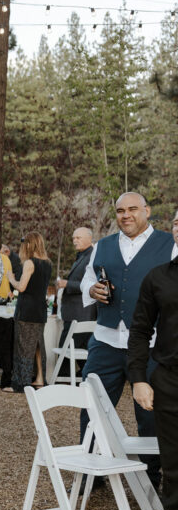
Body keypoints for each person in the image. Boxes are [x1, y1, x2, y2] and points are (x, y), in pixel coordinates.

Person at [81, 192, 177, 491]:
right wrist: (92, 290)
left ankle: (153, 476)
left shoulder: (170, 245)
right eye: (121, 210)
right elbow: (87, 279)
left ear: (146, 211)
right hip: (106, 339)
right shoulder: (103, 245)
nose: (126, 215)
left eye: (133, 209)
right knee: (92, 405)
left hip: (152, 345)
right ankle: (91, 473)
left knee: (151, 412)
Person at [128, 208, 178, 510]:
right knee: (173, 463)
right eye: (177, 222)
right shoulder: (158, 277)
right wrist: (139, 380)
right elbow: (140, 332)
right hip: (169, 380)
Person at [7, 232, 53, 393]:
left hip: (26, 310)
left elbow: (21, 287)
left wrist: (11, 278)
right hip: (40, 310)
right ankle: (40, 379)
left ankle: (21, 383)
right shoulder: (48, 263)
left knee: (24, 346)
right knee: (38, 346)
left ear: (28, 245)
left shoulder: (29, 263)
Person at [57, 226, 96, 352]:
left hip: (80, 314)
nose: (74, 241)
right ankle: (81, 373)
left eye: (78, 238)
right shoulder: (81, 255)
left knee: (65, 352)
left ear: (89, 238)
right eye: (73, 238)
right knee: (78, 353)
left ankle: (67, 373)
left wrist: (67, 284)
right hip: (73, 313)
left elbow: (91, 285)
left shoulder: (92, 256)